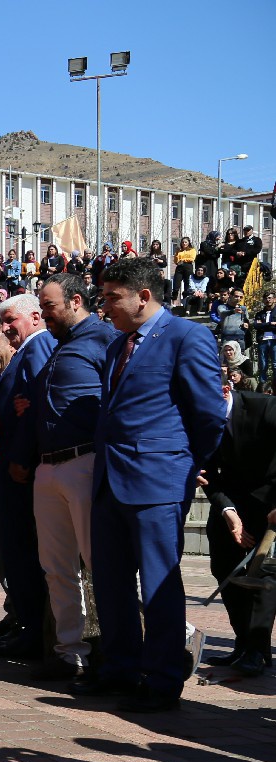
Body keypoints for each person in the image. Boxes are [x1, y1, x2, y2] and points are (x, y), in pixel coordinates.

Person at [88, 256, 224, 712]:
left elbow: (207, 414)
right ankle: (120, 669)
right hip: (109, 480)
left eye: (112, 298)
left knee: (159, 583)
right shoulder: (116, 347)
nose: (104, 307)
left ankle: (163, 678)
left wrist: (188, 465)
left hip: (159, 480)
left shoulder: (188, 336)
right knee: (110, 583)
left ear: (143, 296)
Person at [17, 273, 119, 682]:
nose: (44, 315)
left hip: (85, 462)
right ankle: (69, 652)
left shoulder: (105, 339)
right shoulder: (60, 348)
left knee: (104, 564)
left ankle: (130, 649)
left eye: (50, 307)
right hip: (49, 467)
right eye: (40, 308)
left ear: (76, 301)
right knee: (56, 566)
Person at [0, 294, 58, 662]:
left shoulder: (40, 345)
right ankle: (28, 628)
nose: (4, 328)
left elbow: (38, 401)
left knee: (25, 554)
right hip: (16, 471)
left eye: (10, 320)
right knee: (17, 555)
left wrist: (20, 458)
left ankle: (35, 633)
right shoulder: (28, 351)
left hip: (22, 473)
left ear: (34, 316)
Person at [201, 381, 276, 676]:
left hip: (270, 499)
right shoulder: (200, 421)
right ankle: (243, 644)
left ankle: (257, 650)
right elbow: (205, 472)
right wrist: (228, 512)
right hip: (231, 501)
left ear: (223, 390)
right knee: (223, 567)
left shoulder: (265, 407)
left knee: (265, 573)